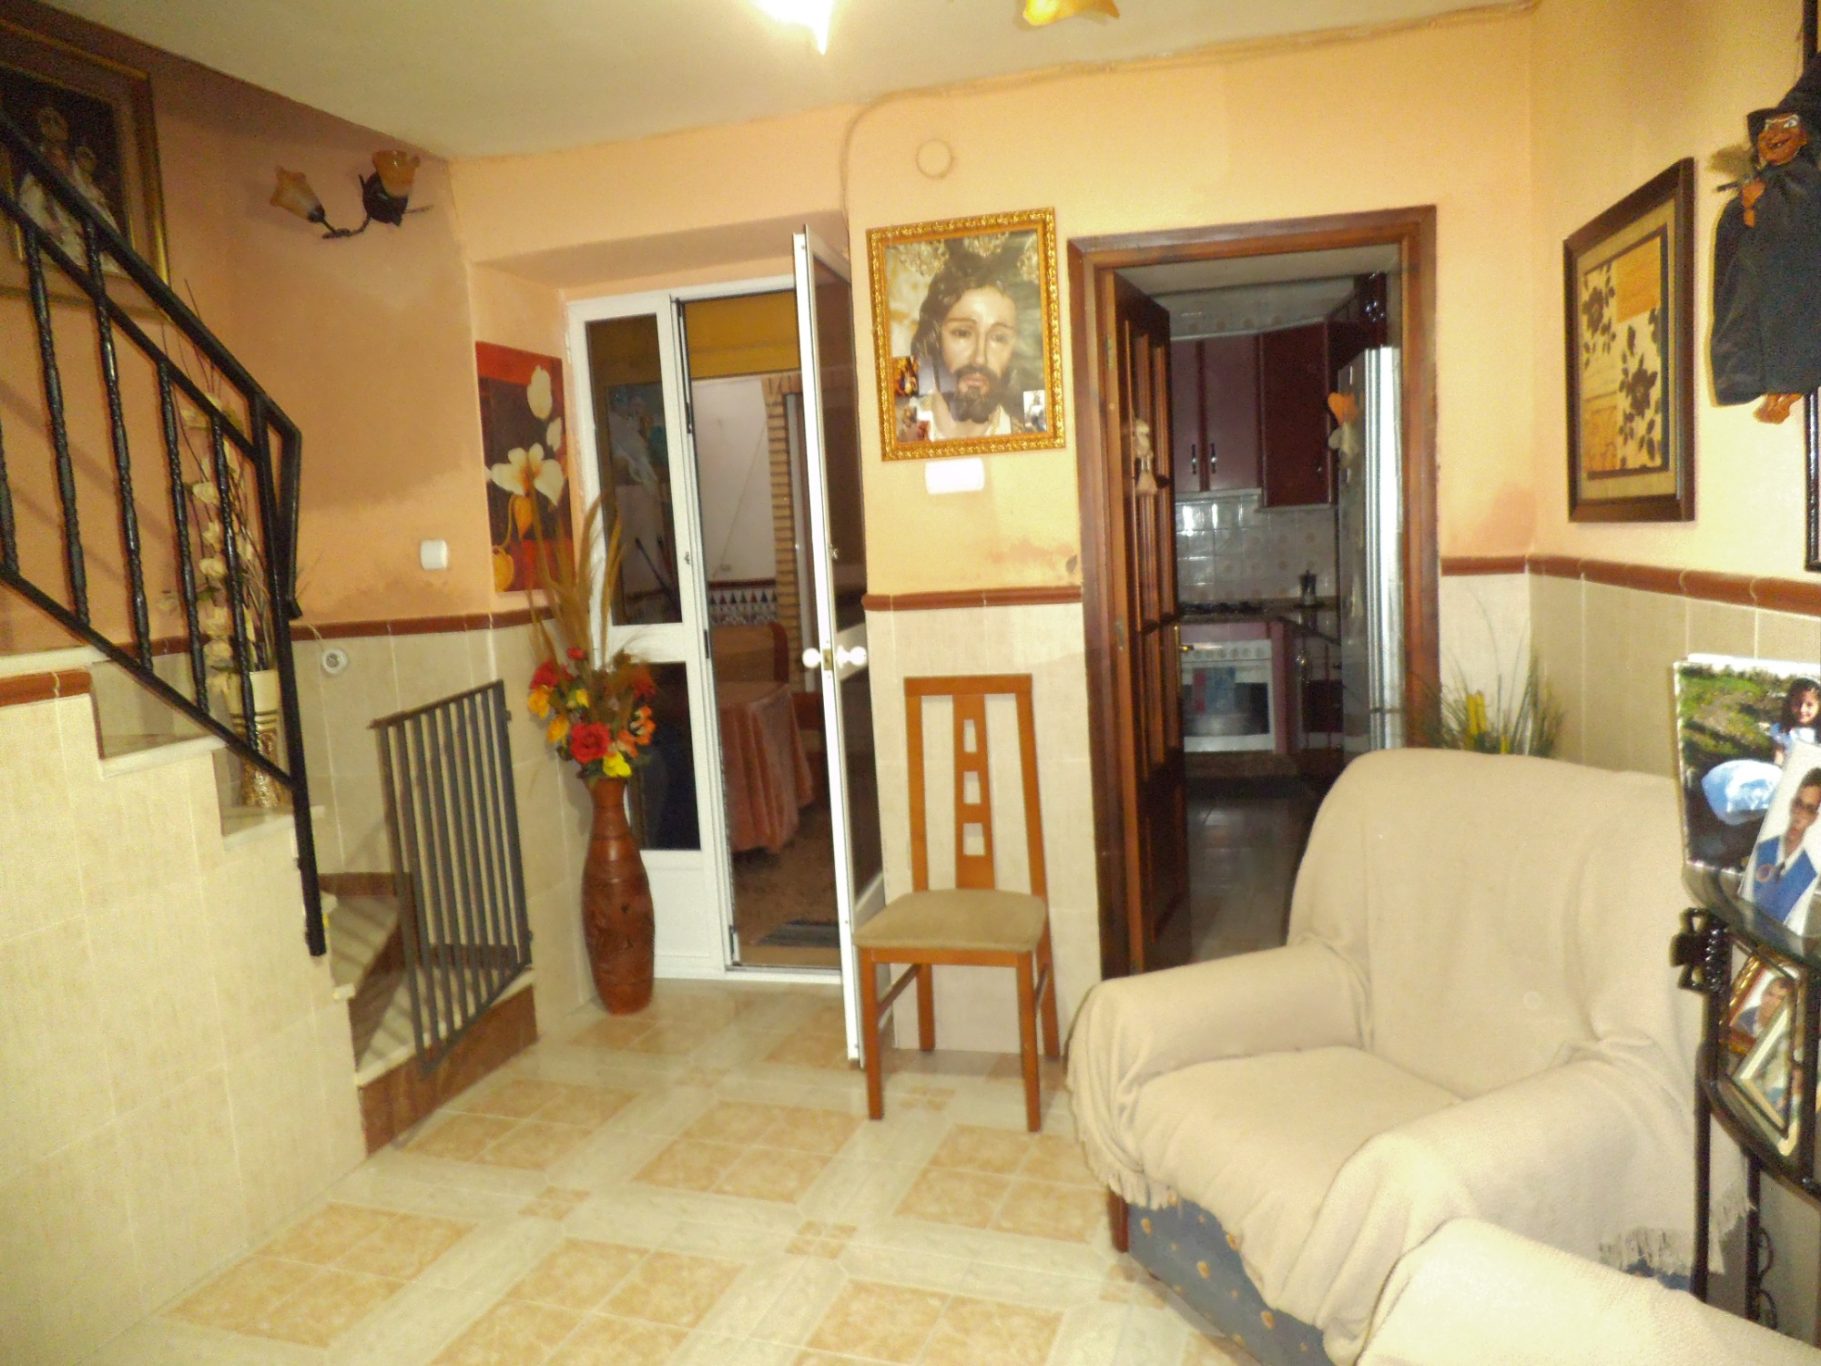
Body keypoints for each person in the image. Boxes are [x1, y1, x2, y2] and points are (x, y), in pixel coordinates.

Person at [1712, 55, 1821, 423]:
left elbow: (1801, 223)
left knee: (1789, 339)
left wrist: (1763, 205)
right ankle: (1774, 389)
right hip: (1760, 285)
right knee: (1760, 331)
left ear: (1805, 136)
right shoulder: (1768, 179)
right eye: (1767, 129)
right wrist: (1746, 211)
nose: (1774, 135)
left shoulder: (1805, 180)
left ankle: (1786, 392)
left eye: (1787, 125)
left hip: (1790, 290)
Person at [901, 239, 1043, 441]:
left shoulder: (1034, 425)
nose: (979, 358)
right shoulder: (906, 422)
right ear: (934, 338)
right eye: (962, 333)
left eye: (999, 338)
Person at [1749, 768, 1821, 926]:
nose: (1800, 815)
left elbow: (1797, 926)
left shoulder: (1810, 874)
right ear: (1792, 805)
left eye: (1809, 809)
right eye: (1798, 804)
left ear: (1814, 818)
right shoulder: (1761, 850)